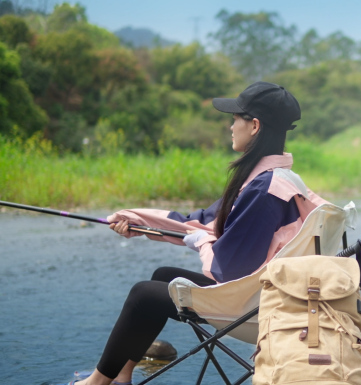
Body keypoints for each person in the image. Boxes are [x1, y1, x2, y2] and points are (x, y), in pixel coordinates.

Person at [63, 82, 328, 385]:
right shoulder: (272, 179)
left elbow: (227, 270)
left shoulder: (264, 191)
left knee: (142, 295)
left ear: (254, 126)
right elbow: (201, 221)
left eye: (235, 118)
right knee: (163, 275)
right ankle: (121, 376)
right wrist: (135, 220)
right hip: (263, 295)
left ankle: (97, 382)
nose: (230, 126)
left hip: (254, 308)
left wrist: (202, 242)